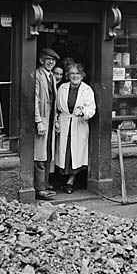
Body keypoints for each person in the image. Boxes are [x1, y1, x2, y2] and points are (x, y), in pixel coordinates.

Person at [55, 63, 96, 194]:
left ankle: (70, 181)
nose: (75, 76)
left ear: (82, 75)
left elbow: (92, 109)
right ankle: (62, 179)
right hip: (65, 122)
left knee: (75, 154)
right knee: (64, 152)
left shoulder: (87, 90)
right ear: (68, 75)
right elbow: (56, 107)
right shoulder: (62, 87)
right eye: (72, 73)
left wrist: (83, 112)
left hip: (79, 125)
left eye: (77, 74)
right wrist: (56, 119)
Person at [34, 47, 60, 200]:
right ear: (41, 61)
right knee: (39, 155)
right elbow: (35, 100)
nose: (50, 62)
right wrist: (38, 122)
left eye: (53, 60)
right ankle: (39, 188)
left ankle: (45, 182)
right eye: (47, 59)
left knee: (48, 153)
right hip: (42, 120)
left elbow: (53, 101)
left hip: (50, 120)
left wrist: (55, 119)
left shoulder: (51, 77)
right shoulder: (38, 76)